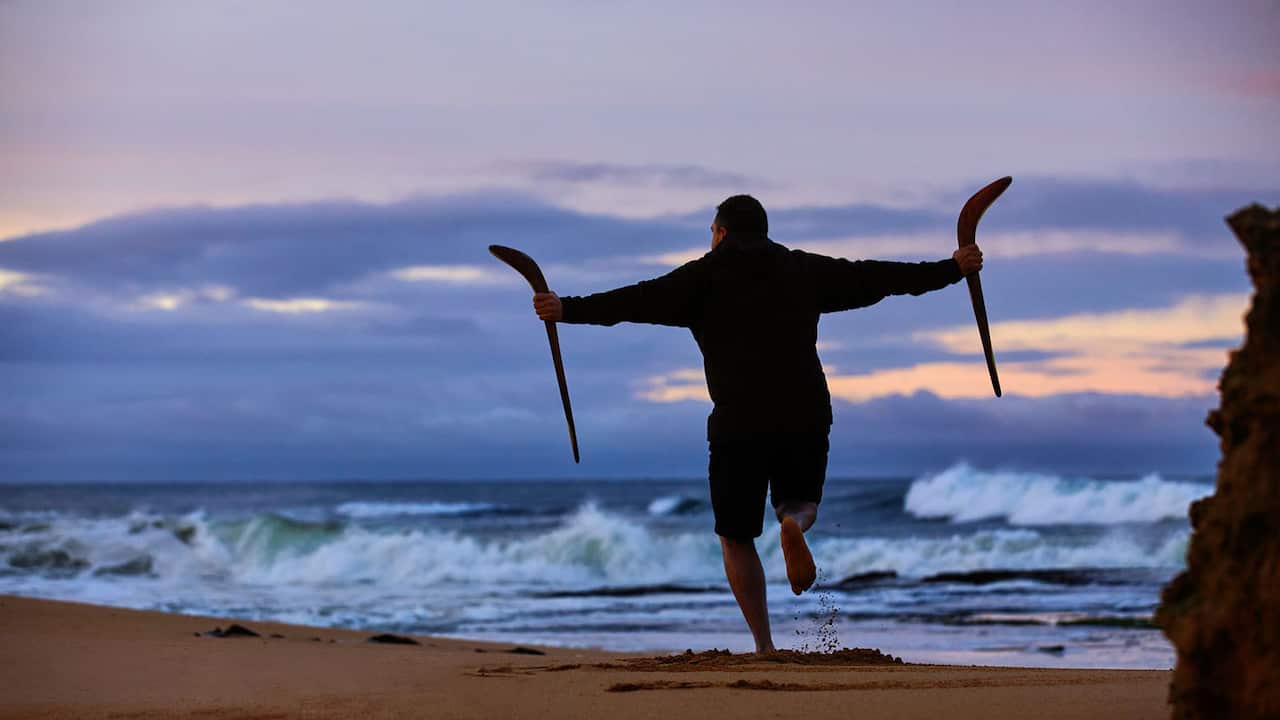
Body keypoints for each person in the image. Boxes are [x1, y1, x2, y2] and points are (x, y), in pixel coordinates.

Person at [532, 194, 983, 653]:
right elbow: (878, 277)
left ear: (722, 232)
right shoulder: (803, 269)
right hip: (804, 411)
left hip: (737, 419)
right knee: (801, 501)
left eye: (711, 232)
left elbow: (632, 300)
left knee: (735, 534)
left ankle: (764, 645)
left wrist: (567, 308)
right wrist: (951, 268)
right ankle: (793, 524)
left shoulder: (700, 277)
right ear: (764, 232)